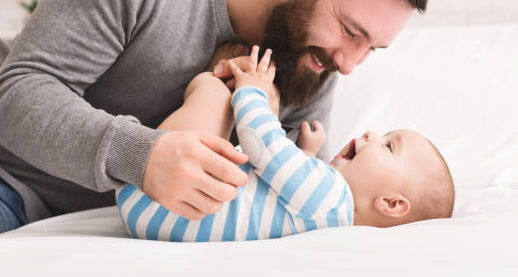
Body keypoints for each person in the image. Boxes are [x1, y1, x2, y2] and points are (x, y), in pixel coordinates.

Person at [0, 0, 428, 241]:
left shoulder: (313, 67)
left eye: (371, 48)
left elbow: (286, 203)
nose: (348, 63)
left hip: (8, 194)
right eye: (349, 30)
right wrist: (142, 156)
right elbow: (14, 97)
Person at [116, 45, 455, 241]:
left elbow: (265, 147)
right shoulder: (332, 220)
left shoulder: (329, 195)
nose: (371, 135)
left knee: (213, 90)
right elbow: (283, 190)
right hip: (164, 211)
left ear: (392, 203)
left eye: (388, 146)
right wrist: (308, 152)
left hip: (158, 191)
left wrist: (252, 89)